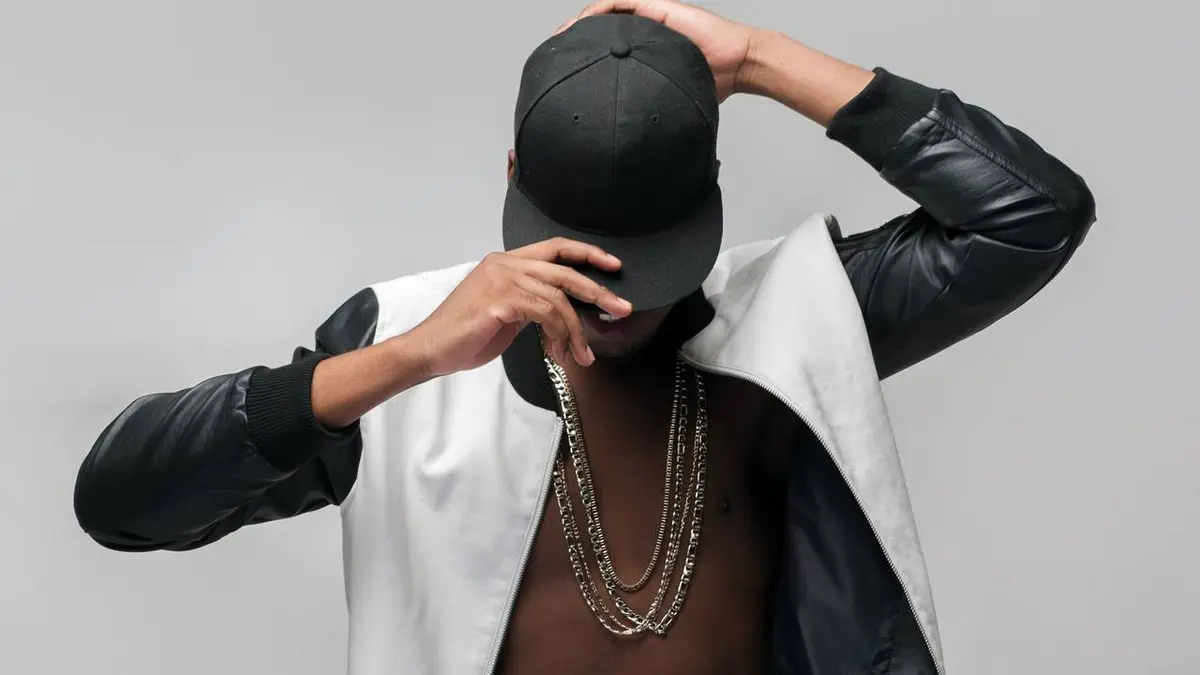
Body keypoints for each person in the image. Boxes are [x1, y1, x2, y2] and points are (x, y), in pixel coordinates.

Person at [73, 2, 1096, 674]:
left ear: (709, 198)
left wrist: (759, 60)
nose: (612, 303)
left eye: (646, 270)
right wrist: (411, 359)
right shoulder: (398, 348)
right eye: (582, 262)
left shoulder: (797, 322)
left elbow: (1032, 215)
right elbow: (120, 505)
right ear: (512, 176)